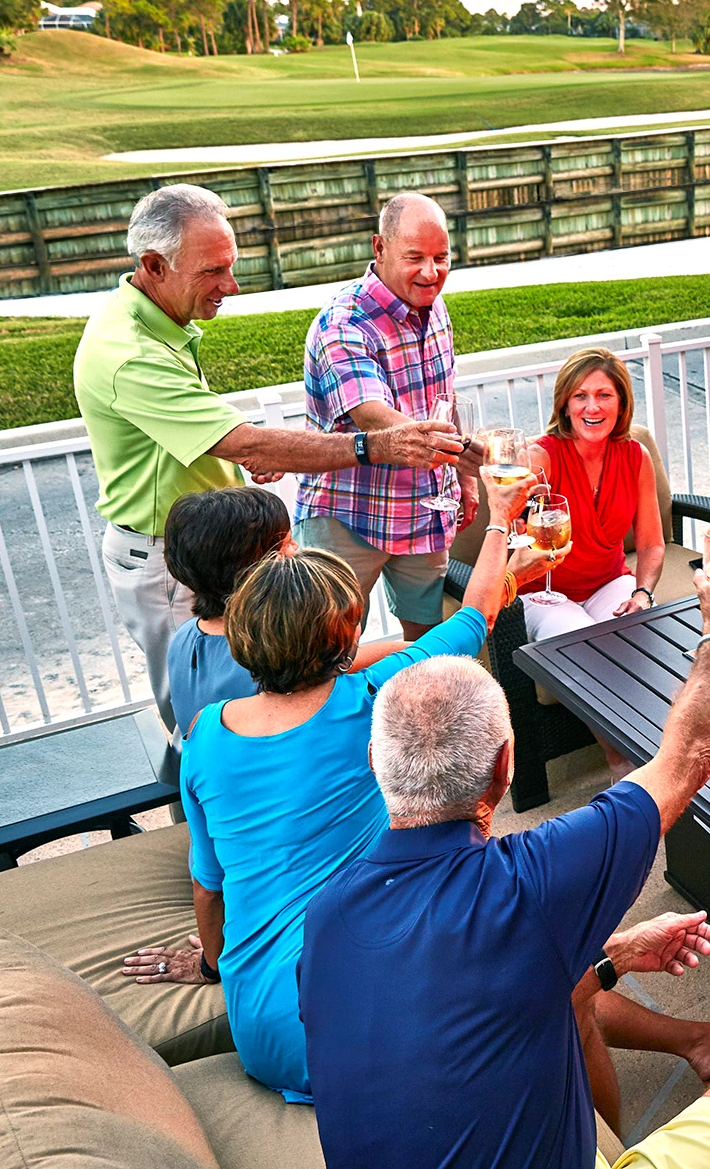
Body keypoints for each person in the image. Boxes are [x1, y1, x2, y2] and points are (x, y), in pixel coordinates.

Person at [298, 565, 710, 1169]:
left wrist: (618, 955)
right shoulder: (529, 884)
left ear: (376, 760)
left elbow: (467, 989)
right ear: (506, 770)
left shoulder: (324, 915)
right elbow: (684, 760)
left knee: (575, 993)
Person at [117, 470, 537, 1102]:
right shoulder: (364, 699)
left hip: (258, 1032)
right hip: (353, 1028)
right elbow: (475, 614)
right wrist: (501, 518)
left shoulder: (201, 717)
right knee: (540, 967)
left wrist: (209, 964)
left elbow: (209, 891)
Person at [74, 184, 464, 728]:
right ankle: (207, 808)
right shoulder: (128, 352)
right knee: (201, 719)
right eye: (213, 271)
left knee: (264, 692)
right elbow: (248, 439)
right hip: (168, 560)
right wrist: (377, 446)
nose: (230, 286)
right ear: (154, 265)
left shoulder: (158, 321)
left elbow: (211, 436)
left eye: (230, 267)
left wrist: (244, 457)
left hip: (218, 549)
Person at [296, 194, 481, 640]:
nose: (431, 272)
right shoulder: (343, 322)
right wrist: (465, 457)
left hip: (422, 509)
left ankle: (414, 713)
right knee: (327, 651)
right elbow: (372, 415)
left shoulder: (436, 308)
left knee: (426, 643)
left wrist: (465, 479)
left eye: (441, 257)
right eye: (415, 257)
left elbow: (444, 397)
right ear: (379, 248)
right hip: (346, 516)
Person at [163, 486, 407, 740]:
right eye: (286, 544)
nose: (297, 547)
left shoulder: (184, 637)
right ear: (257, 571)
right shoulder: (265, 659)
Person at [513, 348, 667, 640]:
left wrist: (643, 592)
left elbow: (650, 544)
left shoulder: (636, 456)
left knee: (645, 637)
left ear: (621, 404)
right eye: (580, 396)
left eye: (604, 395)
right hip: (542, 594)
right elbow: (508, 528)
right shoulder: (541, 458)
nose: (592, 407)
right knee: (582, 647)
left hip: (609, 584)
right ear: (565, 406)